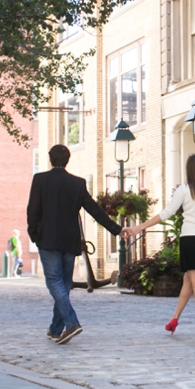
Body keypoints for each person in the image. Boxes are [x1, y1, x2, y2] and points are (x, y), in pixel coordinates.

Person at [121, 154, 195, 342]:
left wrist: (138, 228)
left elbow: (166, 213)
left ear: (189, 171)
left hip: (190, 240)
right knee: (189, 279)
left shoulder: (184, 190)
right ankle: (174, 319)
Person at [27, 144, 123, 345]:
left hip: (48, 239)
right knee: (63, 284)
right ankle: (55, 329)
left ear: (50, 159)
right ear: (68, 160)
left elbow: (32, 210)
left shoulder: (40, 180)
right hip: (70, 241)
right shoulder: (77, 184)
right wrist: (116, 229)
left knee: (54, 282)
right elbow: (94, 210)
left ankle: (71, 323)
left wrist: (34, 234)